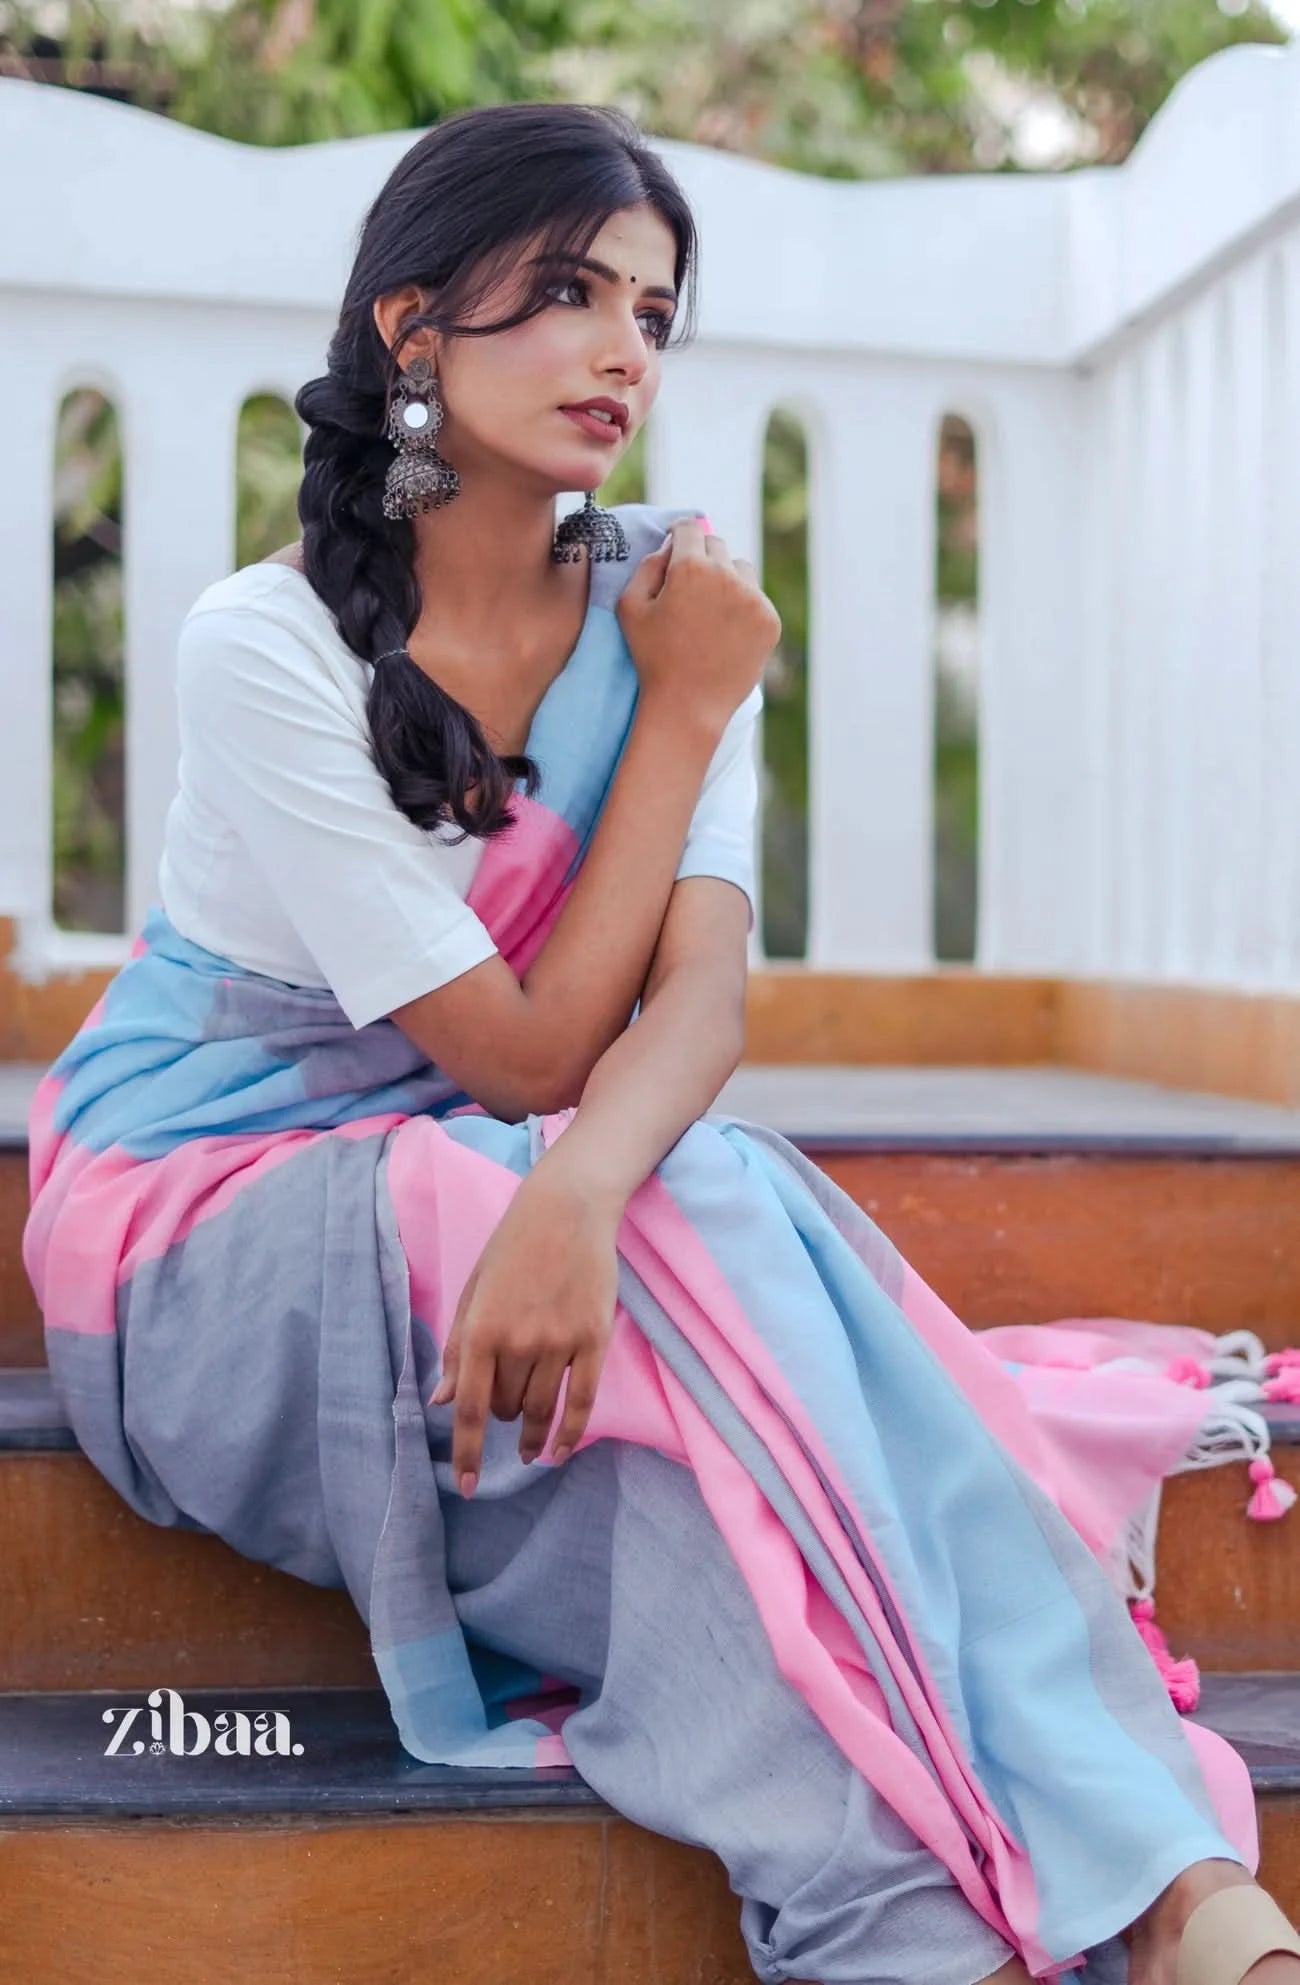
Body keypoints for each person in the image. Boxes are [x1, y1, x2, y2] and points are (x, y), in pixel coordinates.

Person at [22, 99, 1300, 1985]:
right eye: (561, 293)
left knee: (711, 1481)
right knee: (696, 1245)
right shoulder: (268, 644)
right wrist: (685, 724)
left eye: (652, 309)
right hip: (207, 1229)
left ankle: (975, 1917)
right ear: (408, 330)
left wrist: (585, 1191)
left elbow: (696, 1000)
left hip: (521, 1180)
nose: (623, 347)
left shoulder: (672, 598)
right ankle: (1161, 1867)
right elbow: (532, 1052)